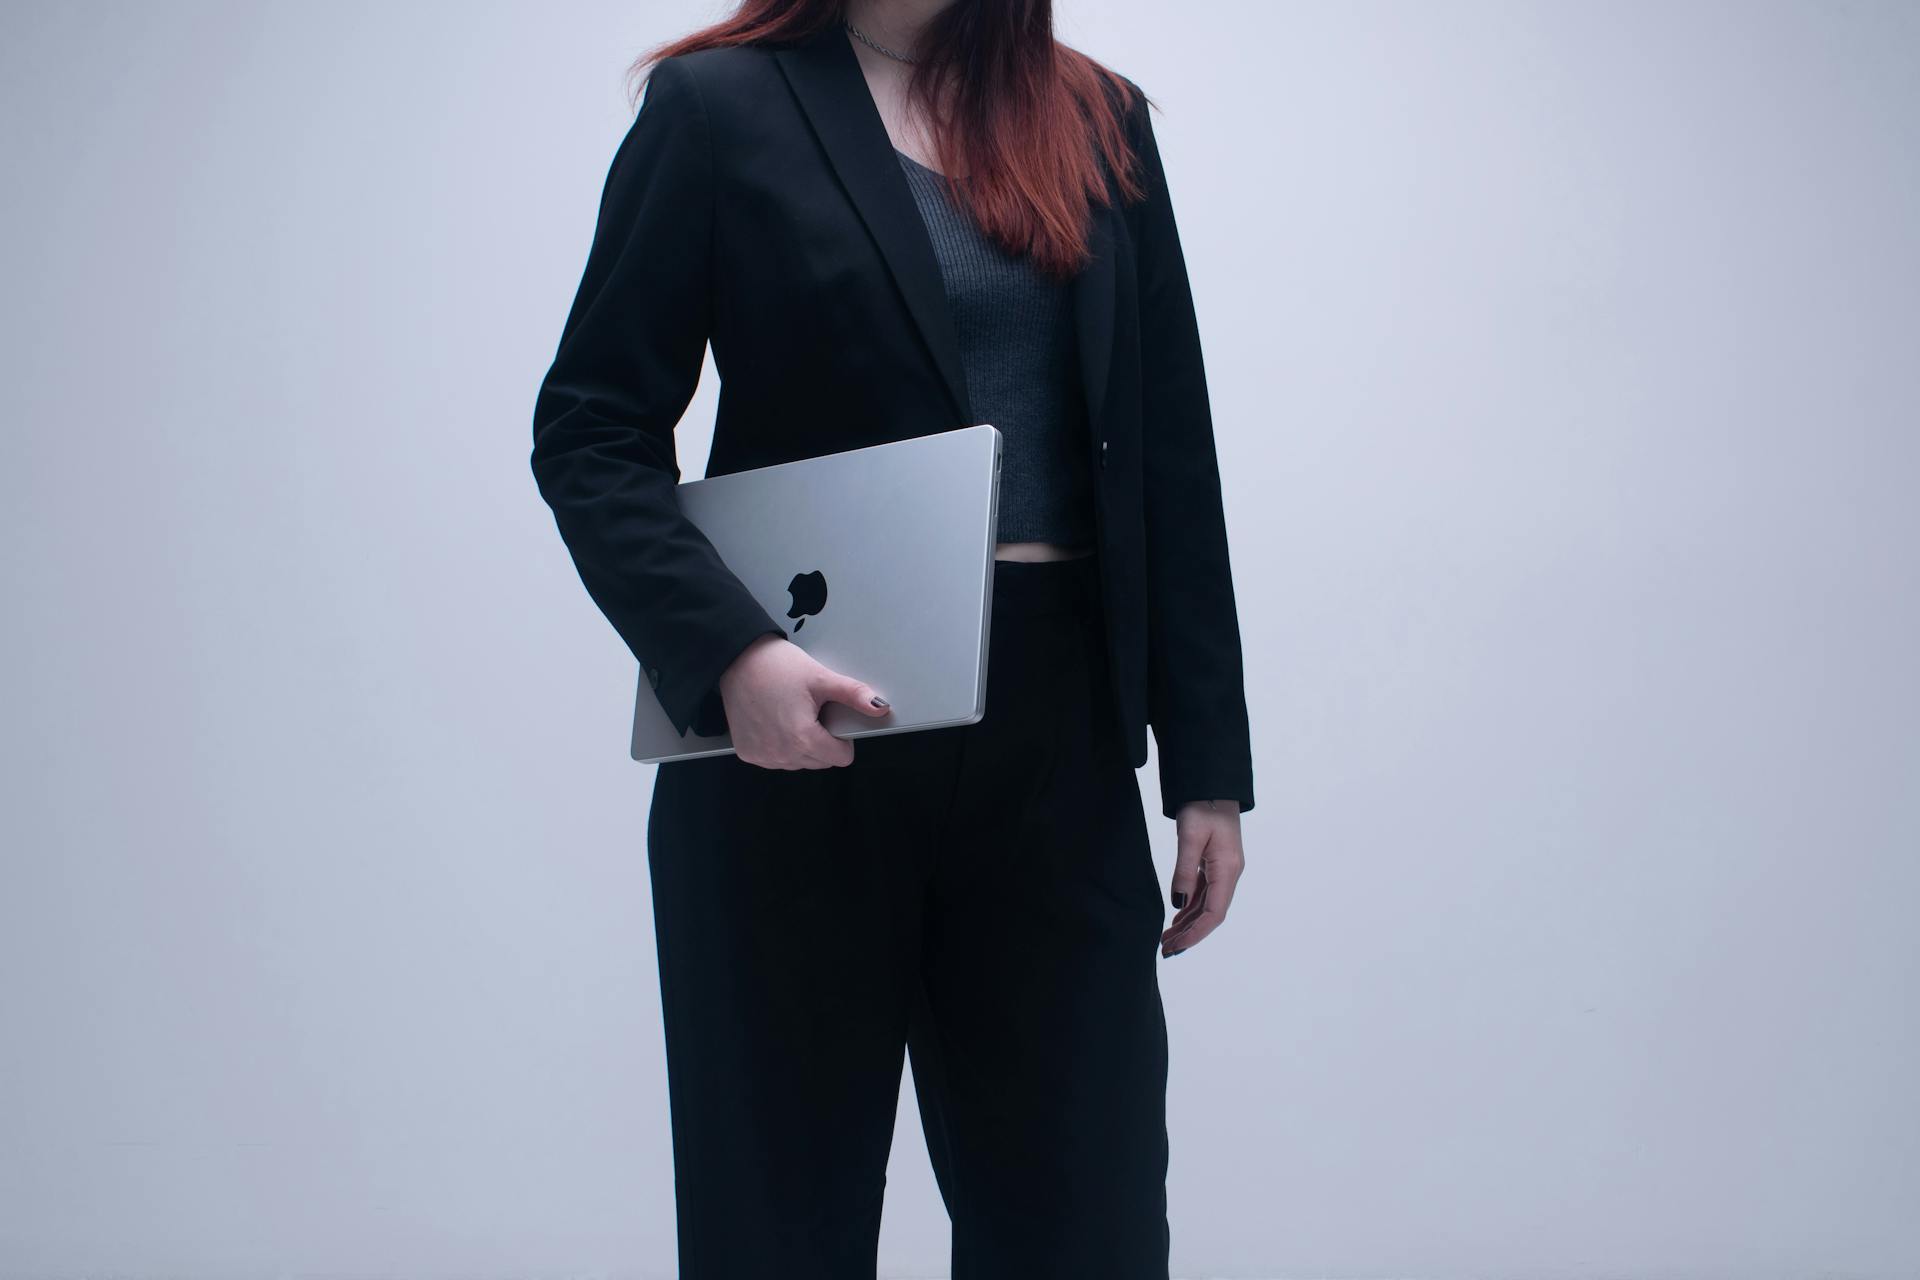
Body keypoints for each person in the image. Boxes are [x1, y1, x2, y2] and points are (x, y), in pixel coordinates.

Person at [529, 1, 1255, 1275]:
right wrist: (729, 656)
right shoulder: (718, 110)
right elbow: (592, 428)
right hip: (797, 736)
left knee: (1084, 1224)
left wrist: (1207, 763)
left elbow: (1166, 448)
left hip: (1057, 737)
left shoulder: (1098, 114)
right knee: (781, 1223)